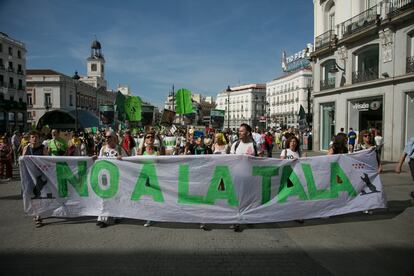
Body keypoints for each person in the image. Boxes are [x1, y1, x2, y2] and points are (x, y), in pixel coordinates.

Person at [229, 123, 261, 232]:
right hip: (237, 177)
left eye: (242, 131)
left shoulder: (254, 145)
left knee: (248, 200)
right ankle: (236, 221)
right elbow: (230, 161)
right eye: (239, 131)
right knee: (236, 200)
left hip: (250, 178)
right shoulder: (235, 145)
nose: (239, 133)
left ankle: (248, 218)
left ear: (248, 133)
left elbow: (261, 161)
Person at [96, 130, 127, 228]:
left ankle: (116, 216)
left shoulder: (120, 149)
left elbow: (127, 161)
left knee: (115, 197)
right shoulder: (103, 149)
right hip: (105, 177)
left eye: (109, 137)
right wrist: (94, 158)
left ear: (114, 138)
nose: (107, 138)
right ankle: (102, 219)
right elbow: (99, 160)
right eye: (106, 137)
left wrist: (121, 158)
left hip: (116, 177)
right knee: (104, 197)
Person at [137, 130, 164, 227]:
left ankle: (153, 215)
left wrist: (159, 137)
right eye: (148, 137)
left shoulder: (157, 151)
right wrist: (144, 136)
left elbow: (163, 150)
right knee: (146, 199)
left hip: (155, 178)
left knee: (154, 199)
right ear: (145, 140)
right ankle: (148, 217)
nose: (150, 139)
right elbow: (137, 155)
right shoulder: (142, 151)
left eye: (152, 137)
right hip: (145, 178)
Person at [22, 131, 48, 227]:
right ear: (29, 138)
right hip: (29, 176)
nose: (35, 139)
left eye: (36, 137)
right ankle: (36, 212)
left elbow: (47, 162)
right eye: (33, 137)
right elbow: (22, 161)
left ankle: (38, 215)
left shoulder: (43, 148)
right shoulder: (26, 148)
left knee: (38, 195)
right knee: (31, 195)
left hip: (39, 176)